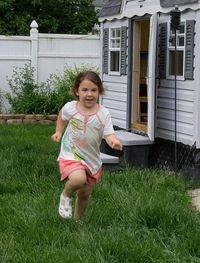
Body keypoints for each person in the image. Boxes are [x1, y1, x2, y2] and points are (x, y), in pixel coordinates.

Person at [51, 71, 123, 220]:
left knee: (84, 194)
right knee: (78, 179)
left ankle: (78, 221)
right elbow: (61, 116)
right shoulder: (70, 107)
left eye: (94, 90)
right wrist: (58, 132)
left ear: (99, 92)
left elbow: (109, 134)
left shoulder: (104, 113)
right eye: (85, 90)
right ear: (77, 91)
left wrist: (113, 142)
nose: (89, 94)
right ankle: (66, 195)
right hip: (71, 153)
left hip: (91, 159)